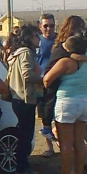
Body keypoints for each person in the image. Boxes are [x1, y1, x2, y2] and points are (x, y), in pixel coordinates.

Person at [46, 17, 87, 169]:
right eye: (80, 27)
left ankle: (84, 162)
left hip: (75, 97)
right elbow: (50, 76)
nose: (83, 31)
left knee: (82, 134)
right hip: (63, 96)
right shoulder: (64, 50)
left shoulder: (76, 49)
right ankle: (75, 169)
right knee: (71, 140)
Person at [44, 34, 87, 174]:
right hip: (85, 102)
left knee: (66, 144)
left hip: (67, 102)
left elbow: (47, 80)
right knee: (79, 141)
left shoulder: (66, 62)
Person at [6, 24, 42, 174]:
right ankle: (20, 172)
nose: (38, 39)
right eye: (35, 35)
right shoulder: (26, 53)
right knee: (24, 138)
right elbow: (27, 74)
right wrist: (44, 79)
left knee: (25, 136)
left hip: (18, 99)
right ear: (28, 38)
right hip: (24, 99)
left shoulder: (18, 53)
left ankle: (25, 168)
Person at [36, 14, 58, 157]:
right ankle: (50, 148)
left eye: (51, 25)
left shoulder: (60, 40)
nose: (49, 29)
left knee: (58, 114)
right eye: (45, 26)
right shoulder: (37, 41)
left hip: (57, 81)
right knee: (45, 116)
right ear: (40, 26)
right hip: (40, 83)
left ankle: (62, 143)